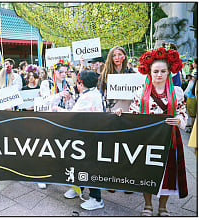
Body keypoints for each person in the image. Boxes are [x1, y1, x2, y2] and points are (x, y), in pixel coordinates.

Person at [115, 47, 188, 216]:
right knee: (146, 172)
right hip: (146, 139)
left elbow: (182, 112)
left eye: (163, 71)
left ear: (169, 72)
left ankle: (163, 207)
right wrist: (121, 114)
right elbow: (133, 114)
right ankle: (147, 205)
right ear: (149, 72)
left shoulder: (177, 92)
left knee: (167, 174)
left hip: (169, 138)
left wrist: (179, 120)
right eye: (156, 71)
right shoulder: (141, 93)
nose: (159, 74)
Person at [53, 70, 105, 211]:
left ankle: (96, 198)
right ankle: (78, 189)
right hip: (87, 136)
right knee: (80, 164)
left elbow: (73, 116)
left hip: (88, 137)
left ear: (81, 83)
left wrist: (57, 109)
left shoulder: (88, 97)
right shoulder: (93, 93)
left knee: (89, 166)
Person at [98, 46, 132, 113]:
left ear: (124, 56)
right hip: (112, 108)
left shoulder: (131, 73)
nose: (117, 58)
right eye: (114, 55)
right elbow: (101, 93)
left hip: (127, 107)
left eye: (119, 55)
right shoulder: (105, 75)